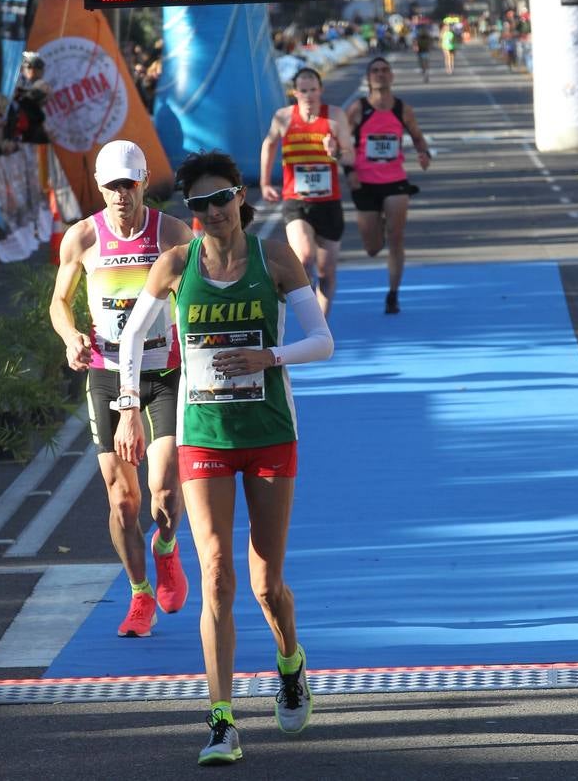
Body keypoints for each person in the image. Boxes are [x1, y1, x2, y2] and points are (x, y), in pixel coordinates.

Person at [114, 150, 334, 765]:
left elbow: (323, 340)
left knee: (265, 585)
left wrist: (273, 357)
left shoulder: (275, 258)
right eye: (199, 204)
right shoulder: (176, 265)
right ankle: (221, 720)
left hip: (268, 432)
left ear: (241, 197)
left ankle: (290, 662)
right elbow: (132, 339)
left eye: (221, 199)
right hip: (204, 435)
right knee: (214, 574)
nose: (212, 212)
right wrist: (130, 405)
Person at [49, 139, 193, 638]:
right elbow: (59, 301)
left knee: (164, 490)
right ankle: (139, 594)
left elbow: (195, 296)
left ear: (144, 181)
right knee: (121, 499)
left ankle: (167, 549)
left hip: (163, 372)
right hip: (107, 372)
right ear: (100, 186)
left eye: (129, 184)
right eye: (111, 185)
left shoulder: (172, 233)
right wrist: (70, 335)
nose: (120, 195)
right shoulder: (83, 238)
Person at [260, 67, 354, 315]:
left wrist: (335, 151)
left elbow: (351, 156)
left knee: (327, 272)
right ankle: (309, 311)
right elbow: (268, 145)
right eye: (303, 91)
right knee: (304, 258)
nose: (309, 95)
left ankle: (321, 321)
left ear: (321, 90)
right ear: (295, 92)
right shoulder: (283, 117)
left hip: (329, 203)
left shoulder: (334, 117)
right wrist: (265, 182)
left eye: (313, 90)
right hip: (296, 201)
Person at [345, 57, 431, 314]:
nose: (380, 75)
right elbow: (344, 145)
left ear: (392, 76)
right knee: (372, 248)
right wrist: (349, 170)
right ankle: (378, 226)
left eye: (384, 71)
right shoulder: (358, 109)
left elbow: (417, 135)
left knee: (396, 238)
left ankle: (393, 294)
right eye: (375, 71)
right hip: (365, 184)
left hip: (395, 182)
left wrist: (424, 153)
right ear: (368, 78)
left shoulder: (402, 109)